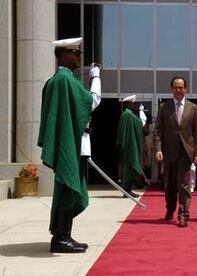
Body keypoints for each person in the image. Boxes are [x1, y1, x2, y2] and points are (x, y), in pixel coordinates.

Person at [37, 37, 101, 253]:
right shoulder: (66, 80)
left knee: (68, 188)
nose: (78, 57)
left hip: (72, 144)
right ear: (65, 55)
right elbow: (92, 102)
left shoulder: (58, 80)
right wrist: (96, 78)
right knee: (69, 188)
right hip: (71, 146)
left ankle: (64, 235)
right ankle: (61, 238)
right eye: (76, 53)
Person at [153, 77, 197, 228]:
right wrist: (158, 149)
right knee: (170, 185)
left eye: (181, 87)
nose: (178, 90)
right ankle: (170, 209)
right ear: (172, 89)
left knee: (183, 184)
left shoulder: (193, 108)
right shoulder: (164, 107)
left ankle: (183, 214)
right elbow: (157, 131)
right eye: (175, 87)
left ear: (186, 89)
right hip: (168, 152)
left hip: (186, 153)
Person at [116, 95, 143, 198]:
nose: (134, 104)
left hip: (131, 145)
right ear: (129, 103)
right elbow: (135, 124)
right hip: (129, 146)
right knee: (128, 168)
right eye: (133, 102)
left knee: (130, 169)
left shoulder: (128, 115)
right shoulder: (127, 115)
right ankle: (127, 190)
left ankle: (128, 189)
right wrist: (141, 118)